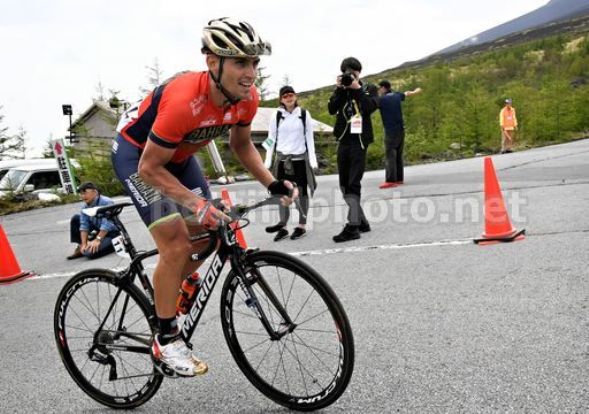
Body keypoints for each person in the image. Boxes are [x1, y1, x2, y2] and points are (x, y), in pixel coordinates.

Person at [111, 18, 297, 377]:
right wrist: (197, 205)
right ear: (214, 62)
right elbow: (150, 168)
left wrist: (273, 184)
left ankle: (171, 287)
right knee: (177, 244)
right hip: (138, 158)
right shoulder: (184, 100)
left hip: (177, 158)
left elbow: (242, 146)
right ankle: (165, 338)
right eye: (241, 62)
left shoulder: (246, 98)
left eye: (255, 63)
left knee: (211, 234)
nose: (251, 73)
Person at [328, 57, 378, 243]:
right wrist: (341, 90)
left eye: (354, 73)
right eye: (348, 73)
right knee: (344, 185)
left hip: (359, 141)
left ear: (359, 73)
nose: (351, 76)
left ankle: (353, 226)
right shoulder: (340, 90)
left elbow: (370, 107)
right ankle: (362, 221)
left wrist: (357, 90)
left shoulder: (368, 89)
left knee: (353, 183)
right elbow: (332, 109)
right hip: (344, 139)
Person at [264, 85, 318, 241]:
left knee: (301, 193)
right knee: (282, 194)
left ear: (295, 97)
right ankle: (284, 227)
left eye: (291, 95)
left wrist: (313, 159)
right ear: (281, 99)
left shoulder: (303, 114)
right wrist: (267, 161)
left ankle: (301, 225)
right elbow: (271, 138)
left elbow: (309, 138)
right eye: (285, 96)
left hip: (299, 160)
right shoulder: (276, 115)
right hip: (282, 160)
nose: (289, 98)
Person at [377, 80, 422, 189]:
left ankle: (391, 180)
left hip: (390, 131)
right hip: (400, 130)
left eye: (379, 88)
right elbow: (408, 93)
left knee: (390, 154)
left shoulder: (381, 99)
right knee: (398, 154)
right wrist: (417, 91)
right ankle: (399, 178)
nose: (379, 91)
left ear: (383, 88)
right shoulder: (397, 95)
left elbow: (368, 105)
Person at [67, 182, 121, 260]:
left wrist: (97, 239)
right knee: (76, 218)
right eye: (81, 194)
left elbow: (107, 224)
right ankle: (81, 246)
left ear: (95, 192)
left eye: (85, 193)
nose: (83, 196)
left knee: (89, 253)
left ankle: (114, 244)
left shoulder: (107, 202)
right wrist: (84, 243)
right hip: (97, 231)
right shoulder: (85, 206)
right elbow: (84, 225)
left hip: (111, 233)